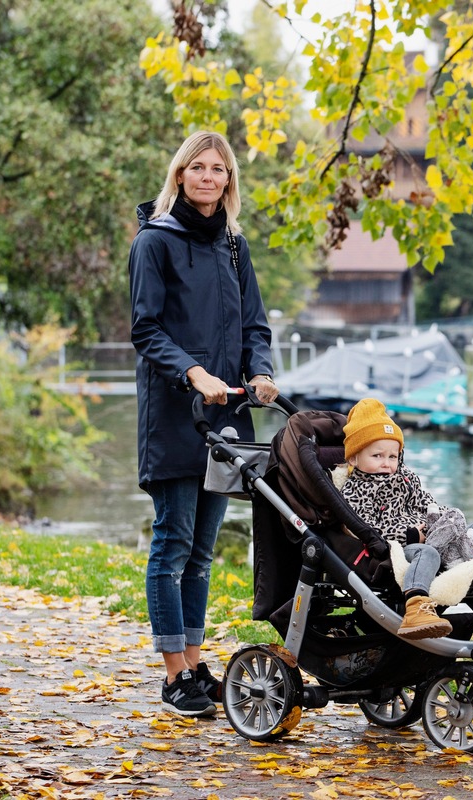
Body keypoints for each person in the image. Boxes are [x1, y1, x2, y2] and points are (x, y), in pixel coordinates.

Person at [128, 131, 279, 717]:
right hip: (175, 414)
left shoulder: (235, 248)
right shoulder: (154, 242)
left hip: (228, 417)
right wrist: (192, 372)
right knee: (173, 543)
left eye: (218, 169)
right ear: (180, 174)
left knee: (203, 552)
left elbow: (255, 327)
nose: (208, 177)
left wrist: (260, 373)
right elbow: (146, 330)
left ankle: (194, 663)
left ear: (229, 180)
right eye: (198, 167)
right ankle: (173, 676)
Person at [334, 398, 473, 640]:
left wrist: (446, 520)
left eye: (392, 456)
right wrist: (409, 535)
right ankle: (416, 606)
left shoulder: (405, 478)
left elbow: (427, 503)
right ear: (354, 458)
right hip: (399, 548)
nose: (386, 463)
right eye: (377, 456)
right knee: (429, 554)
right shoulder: (356, 488)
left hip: (432, 534)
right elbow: (362, 527)